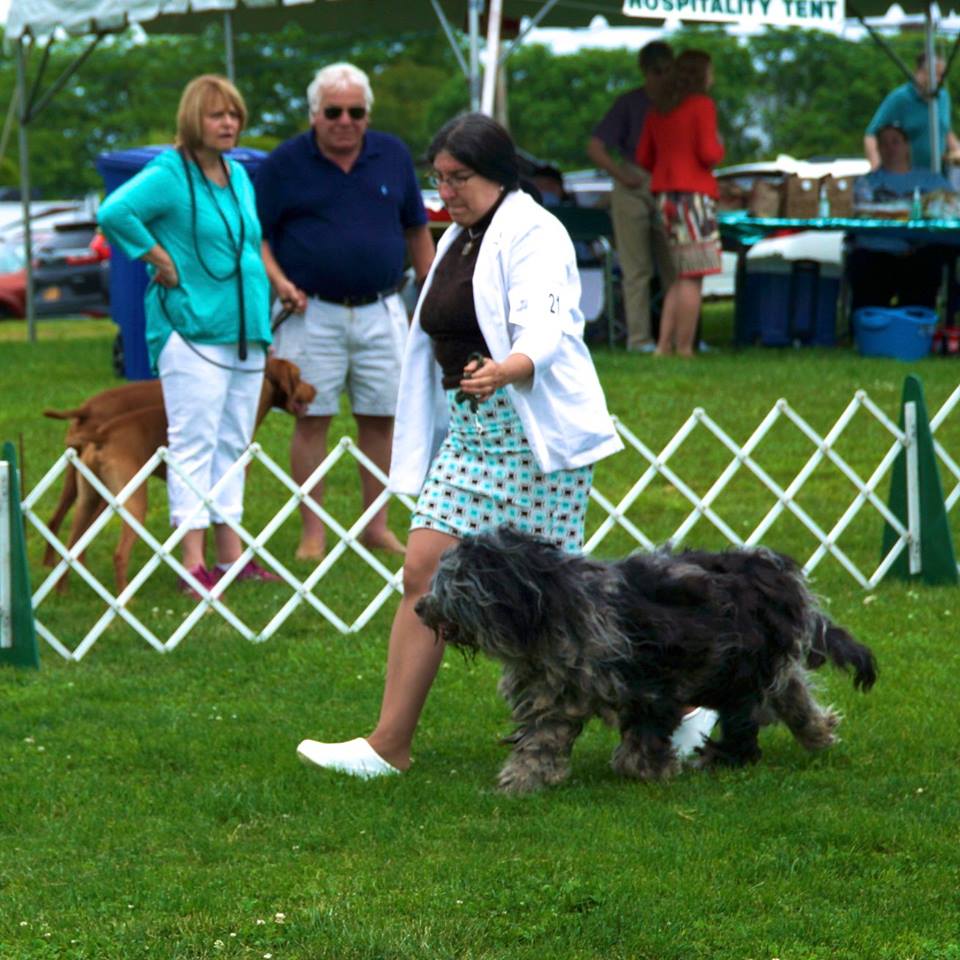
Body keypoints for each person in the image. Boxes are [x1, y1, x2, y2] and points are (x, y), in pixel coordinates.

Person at [294, 112, 717, 779]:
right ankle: (388, 746)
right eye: (438, 179)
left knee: (557, 606)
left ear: (497, 172)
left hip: (531, 438)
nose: (446, 192)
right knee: (423, 574)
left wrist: (508, 367)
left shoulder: (536, 232)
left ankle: (680, 710)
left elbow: (546, 321)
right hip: (471, 434)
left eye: (458, 178)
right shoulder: (463, 234)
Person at [98, 75, 276, 597]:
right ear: (192, 119)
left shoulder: (238, 174)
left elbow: (249, 241)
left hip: (245, 331)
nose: (228, 124)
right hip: (192, 331)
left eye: (234, 115)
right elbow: (114, 212)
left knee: (234, 444)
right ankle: (192, 565)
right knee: (194, 444)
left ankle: (231, 558)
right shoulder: (170, 172)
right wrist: (158, 257)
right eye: (217, 115)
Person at [255, 62, 435, 561]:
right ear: (314, 114)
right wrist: (280, 282)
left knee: (382, 418)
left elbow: (417, 230)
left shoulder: (393, 155)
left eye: (356, 112)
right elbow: (258, 237)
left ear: (367, 114)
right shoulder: (283, 164)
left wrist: (440, 295)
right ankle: (313, 532)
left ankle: (374, 526)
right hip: (311, 311)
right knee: (311, 418)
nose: (345, 121)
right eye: (333, 111)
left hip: (382, 308)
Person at [587, 40, 676, 353]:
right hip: (633, 183)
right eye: (657, 71)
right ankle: (639, 340)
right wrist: (621, 174)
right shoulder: (629, 103)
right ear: (645, 71)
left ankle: (680, 339)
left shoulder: (681, 103)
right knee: (636, 269)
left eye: (668, 70)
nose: (663, 77)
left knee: (677, 268)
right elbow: (595, 146)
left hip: (670, 187)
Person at [636, 49, 724, 358]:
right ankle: (685, 348)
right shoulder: (702, 105)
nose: (713, 78)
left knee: (678, 274)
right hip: (694, 197)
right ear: (700, 75)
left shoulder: (658, 110)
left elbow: (644, 158)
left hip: (665, 198)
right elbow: (709, 153)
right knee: (693, 274)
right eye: (710, 72)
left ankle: (663, 347)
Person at [849, 123, 951, 314]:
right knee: (864, 264)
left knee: (929, 263)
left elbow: (952, 207)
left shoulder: (931, 180)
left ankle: (915, 328)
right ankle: (869, 328)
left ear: (907, 146)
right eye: (884, 143)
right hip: (875, 253)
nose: (890, 148)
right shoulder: (865, 183)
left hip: (919, 253)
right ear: (878, 148)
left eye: (895, 142)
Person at [865, 52, 960, 173]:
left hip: (939, 175)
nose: (939, 80)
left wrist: (957, 150)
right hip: (908, 177)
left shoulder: (943, 97)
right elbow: (871, 136)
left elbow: (945, 130)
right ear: (920, 72)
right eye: (936, 74)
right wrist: (877, 171)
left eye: (942, 75)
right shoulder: (900, 98)